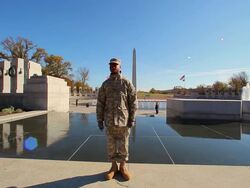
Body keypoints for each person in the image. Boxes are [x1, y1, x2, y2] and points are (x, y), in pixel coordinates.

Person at [96, 58, 137, 181]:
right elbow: (100, 103)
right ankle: (113, 167)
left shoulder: (126, 83)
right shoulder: (105, 84)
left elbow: (133, 102)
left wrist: (132, 118)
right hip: (109, 121)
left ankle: (123, 167)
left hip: (123, 120)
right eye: (111, 65)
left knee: (124, 144)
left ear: (120, 67)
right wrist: (99, 119)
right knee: (111, 145)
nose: (113, 67)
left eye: (115, 65)